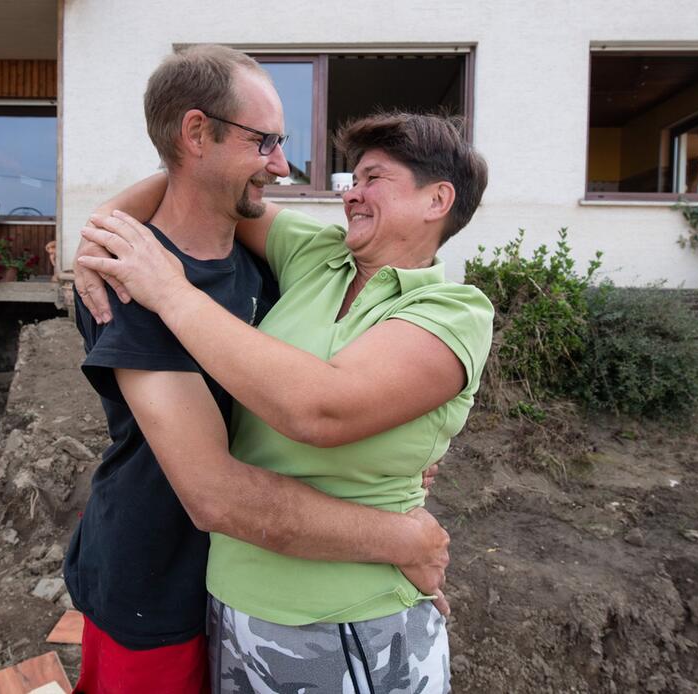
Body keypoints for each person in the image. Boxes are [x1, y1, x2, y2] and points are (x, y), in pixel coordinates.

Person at [66, 45, 452, 694]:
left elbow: (316, 393)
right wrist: (405, 540)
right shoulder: (131, 280)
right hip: (156, 590)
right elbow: (213, 491)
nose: (282, 164)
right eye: (265, 141)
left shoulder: (273, 265)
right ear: (196, 133)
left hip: (251, 588)